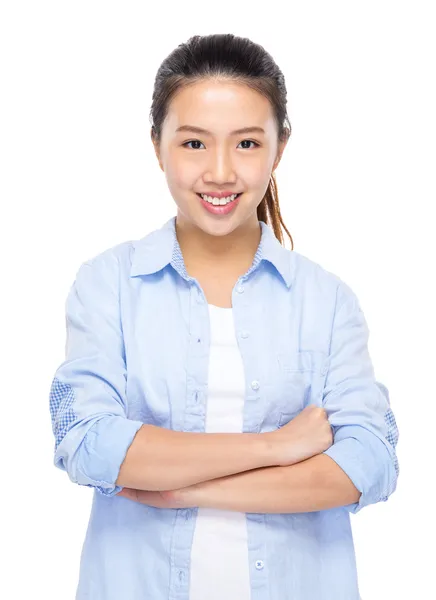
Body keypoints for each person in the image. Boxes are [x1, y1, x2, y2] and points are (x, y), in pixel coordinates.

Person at [49, 33, 399, 600]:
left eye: (246, 144)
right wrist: (273, 448)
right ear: (157, 145)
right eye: (193, 143)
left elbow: (369, 465)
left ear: (279, 149)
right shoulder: (107, 285)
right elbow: (90, 445)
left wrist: (185, 489)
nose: (219, 172)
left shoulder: (327, 301)